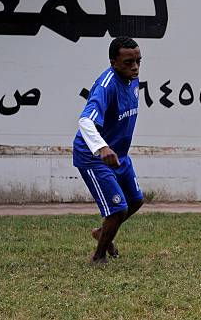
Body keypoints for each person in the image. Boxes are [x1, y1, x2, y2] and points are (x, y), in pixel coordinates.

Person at [73, 36, 144, 264]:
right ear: (113, 62)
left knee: (135, 201)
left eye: (138, 61)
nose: (134, 67)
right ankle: (98, 257)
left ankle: (101, 233)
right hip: (94, 156)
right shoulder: (106, 86)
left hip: (118, 154)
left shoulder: (132, 79)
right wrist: (102, 147)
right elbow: (85, 120)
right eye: (128, 62)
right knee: (117, 209)